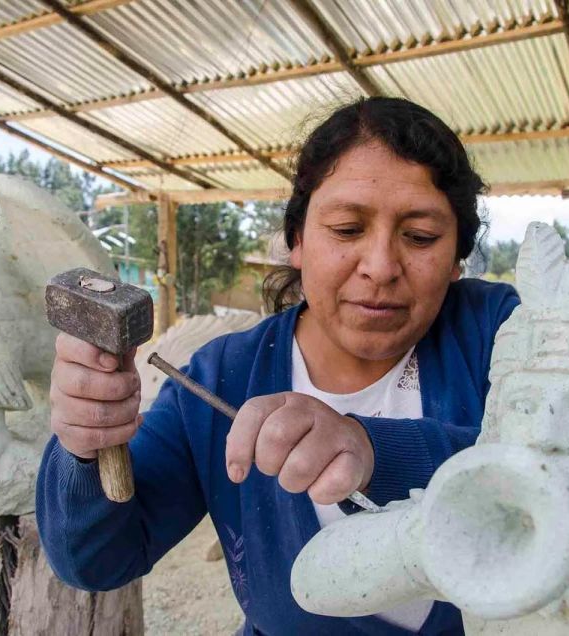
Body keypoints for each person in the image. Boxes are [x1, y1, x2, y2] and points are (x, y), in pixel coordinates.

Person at [37, 96, 520, 635]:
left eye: (421, 237)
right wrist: (83, 447)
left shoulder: (499, 332)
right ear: (296, 239)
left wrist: (372, 450)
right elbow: (98, 560)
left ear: (457, 257)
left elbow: (568, 469)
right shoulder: (223, 375)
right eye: (346, 228)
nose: (381, 267)